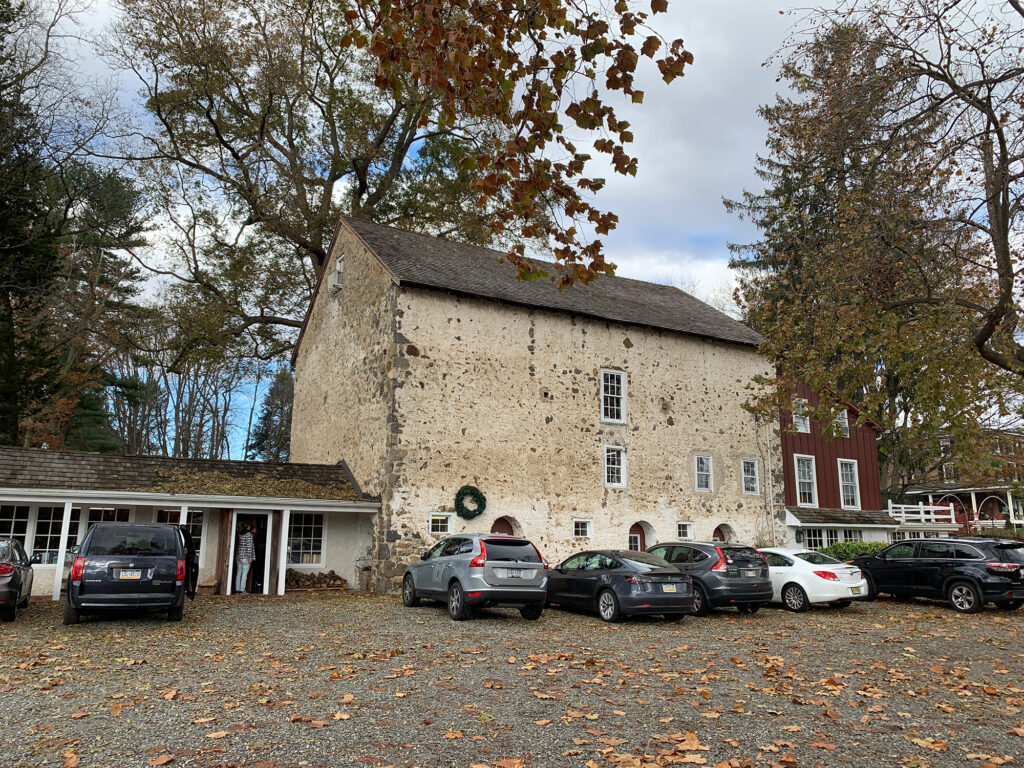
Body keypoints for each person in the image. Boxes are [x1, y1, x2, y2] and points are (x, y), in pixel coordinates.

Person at [235, 522, 255, 594]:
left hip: (239, 556)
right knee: (244, 574)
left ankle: (237, 589)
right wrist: (250, 557)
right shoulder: (249, 535)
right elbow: (249, 547)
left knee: (239, 573)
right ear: (248, 527)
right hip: (245, 557)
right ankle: (242, 590)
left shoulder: (240, 534)